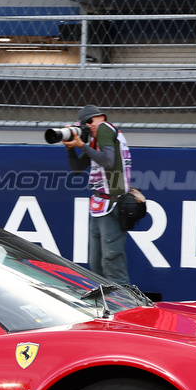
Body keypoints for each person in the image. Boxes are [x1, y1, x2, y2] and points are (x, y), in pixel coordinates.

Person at [64, 104, 132, 285]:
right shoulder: (97, 140)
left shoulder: (104, 129)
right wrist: (71, 148)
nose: (89, 126)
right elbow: (78, 169)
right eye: (85, 124)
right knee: (97, 264)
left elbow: (108, 162)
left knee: (111, 262)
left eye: (90, 121)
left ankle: (125, 305)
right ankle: (108, 304)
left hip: (111, 204)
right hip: (100, 205)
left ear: (101, 117)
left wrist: (82, 145)